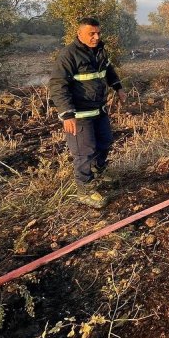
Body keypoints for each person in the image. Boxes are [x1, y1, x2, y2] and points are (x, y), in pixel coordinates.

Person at [49, 17, 127, 208]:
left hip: (98, 109)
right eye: (91, 34)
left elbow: (108, 70)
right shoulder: (69, 55)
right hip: (79, 115)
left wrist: (118, 87)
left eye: (98, 33)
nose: (96, 37)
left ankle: (99, 169)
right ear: (79, 34)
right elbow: (58, 85)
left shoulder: (100, 51)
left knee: (105, 141)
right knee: (84, 152)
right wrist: (67, 114)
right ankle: (84, 189)